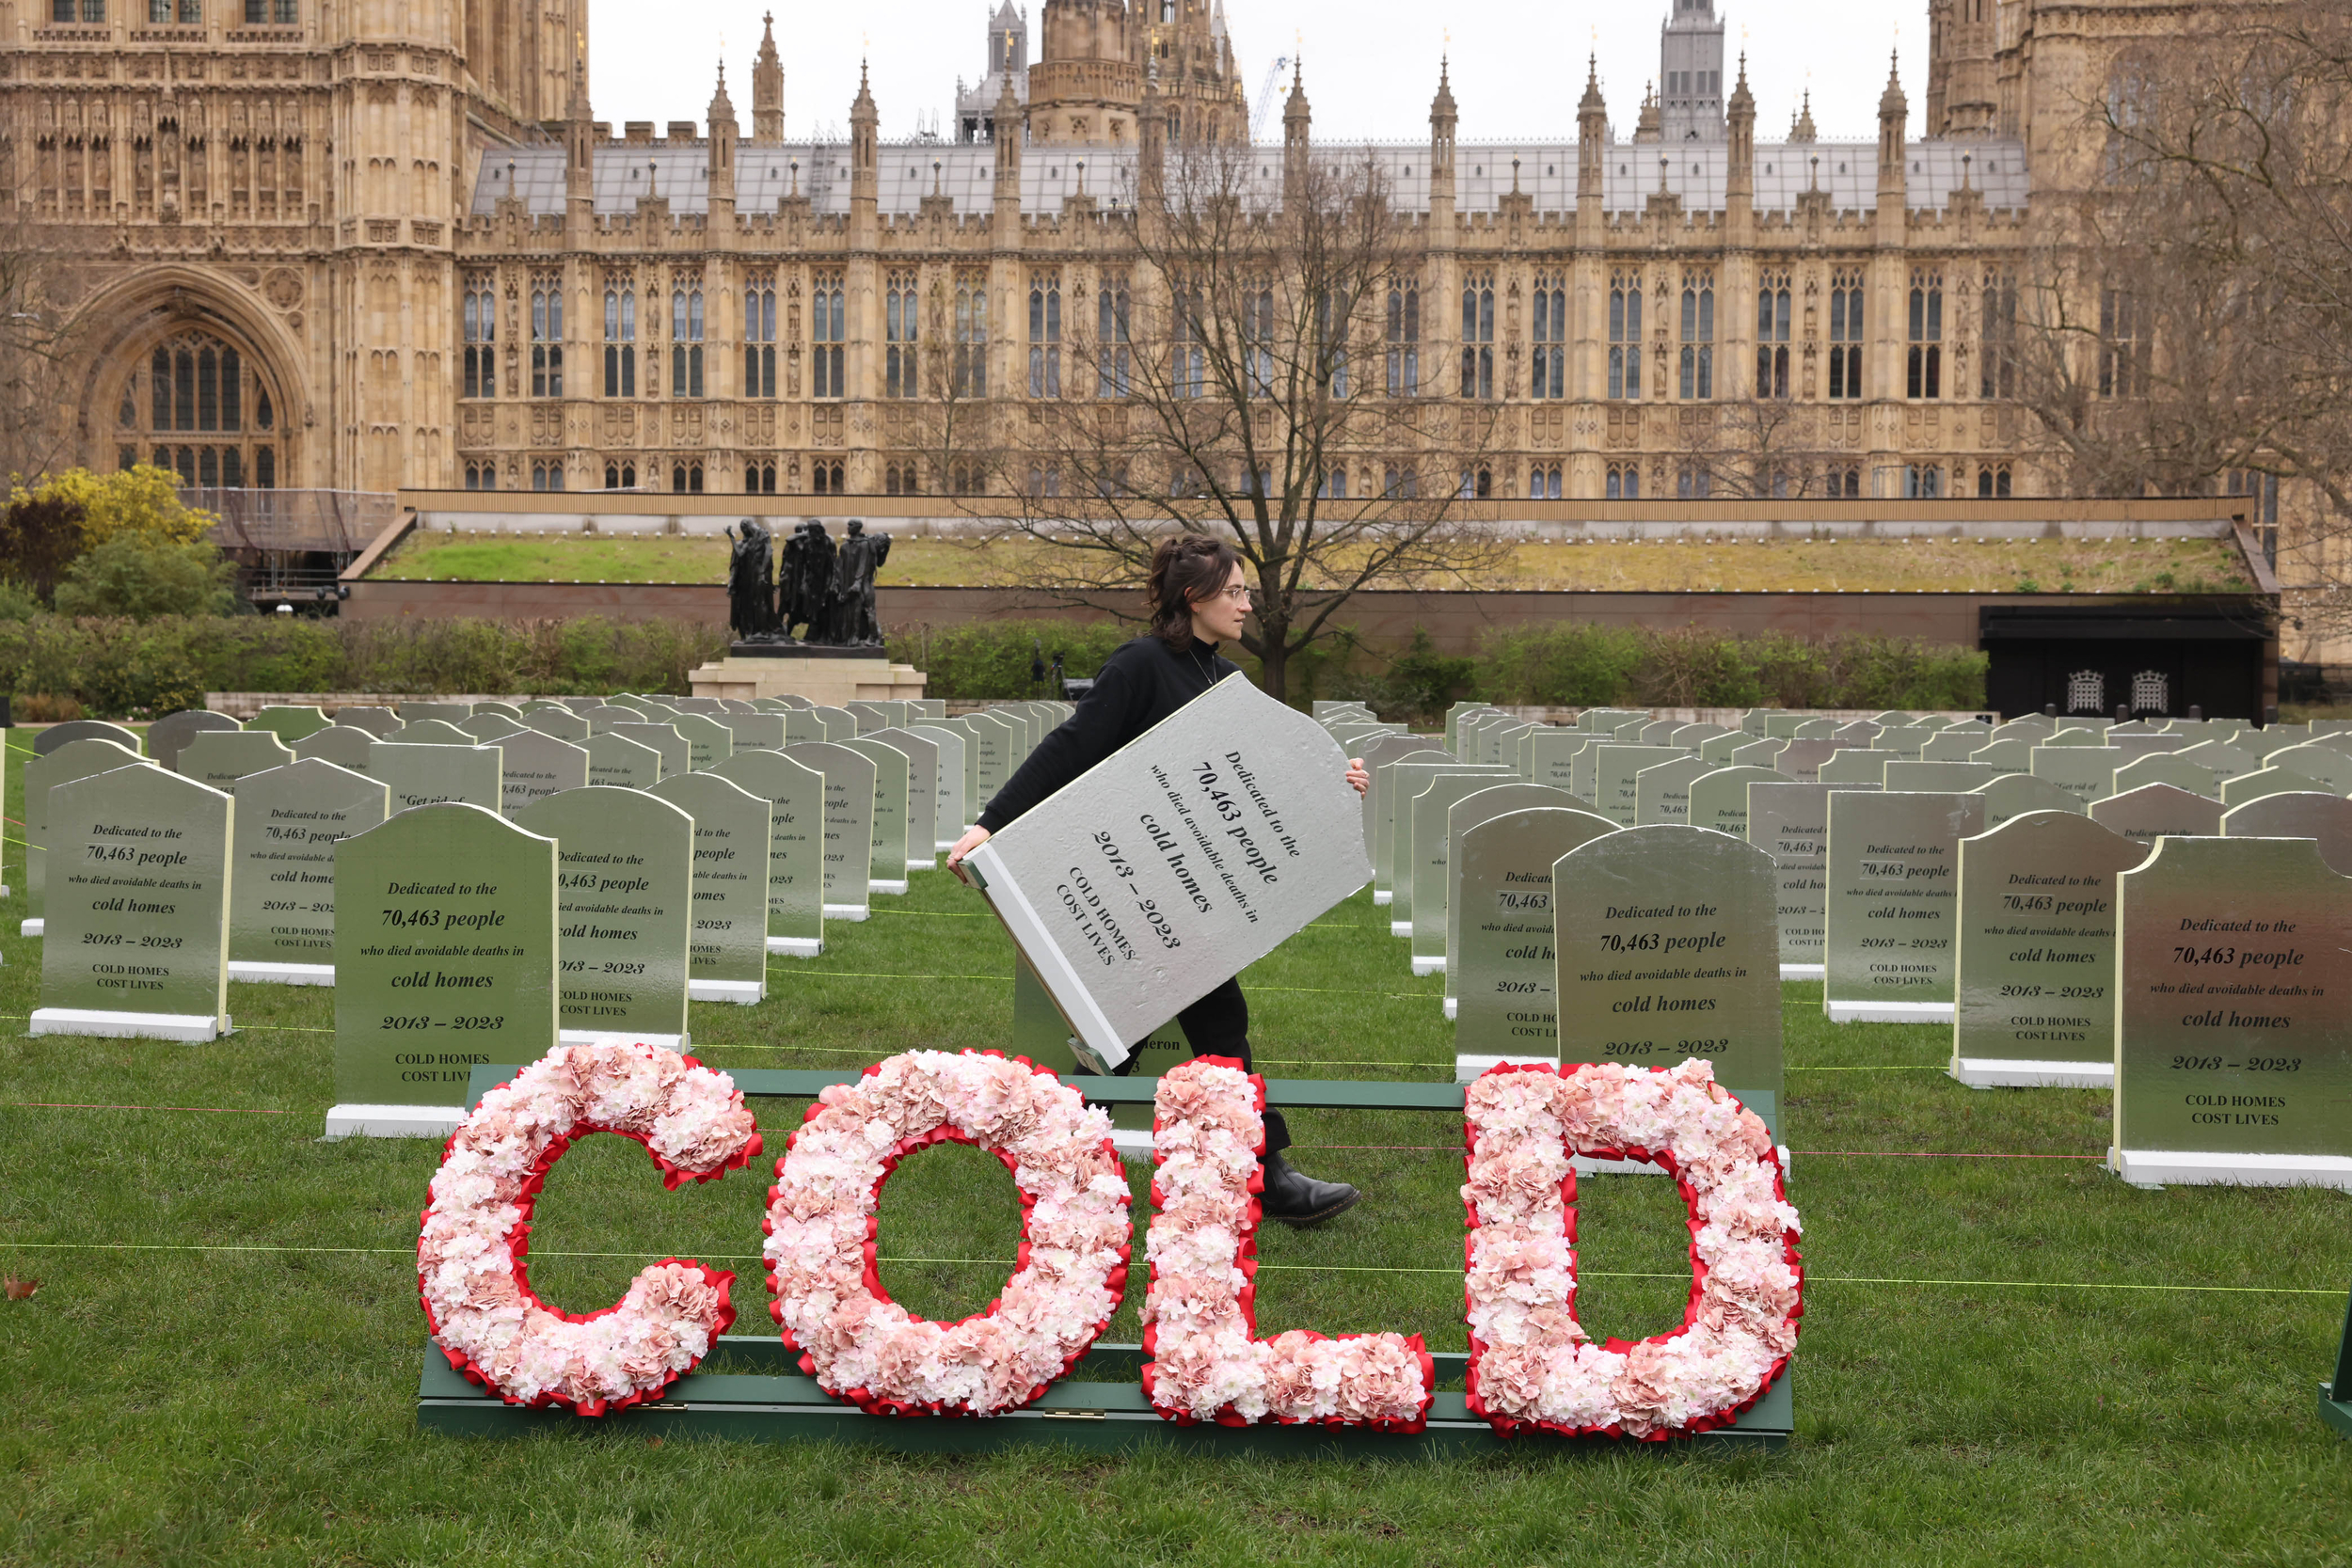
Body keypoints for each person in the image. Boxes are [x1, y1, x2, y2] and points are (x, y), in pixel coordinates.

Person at [947, 534, 1373, 1226]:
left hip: (1194, 900)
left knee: (1163, 1032)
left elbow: (1258, 778)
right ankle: (1267, 1179)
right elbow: (1072, 745)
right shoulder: (1142, 666)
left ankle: (1067, 1162)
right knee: (1154, 1031)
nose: (1246, 604)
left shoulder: (1225, 679)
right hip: (1138, 892)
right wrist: (991, 822)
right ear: (1193, 598)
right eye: (1234, 591)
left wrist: (1333, 782)